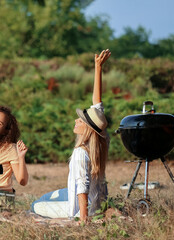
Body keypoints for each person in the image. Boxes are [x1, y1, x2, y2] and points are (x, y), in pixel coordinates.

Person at [31, 49, 112, 223]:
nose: (76, 119)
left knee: (36, 204)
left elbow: (82, 185)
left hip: (83, 208)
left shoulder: (81, 153)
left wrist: (83, 219)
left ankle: (76, 213)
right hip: (97, 201)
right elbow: (97, 105)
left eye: (81, 120)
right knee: (48, 195)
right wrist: (98, 68)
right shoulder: (102, 140)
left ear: (88, 129)